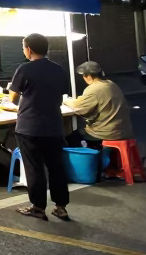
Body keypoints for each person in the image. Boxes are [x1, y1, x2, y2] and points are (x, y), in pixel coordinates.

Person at [9, 33, 71, 221]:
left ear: (28, 49)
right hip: (54, 126)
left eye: (23, 47)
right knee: (56, 167)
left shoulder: (25, 69)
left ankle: (38, 207)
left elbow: (12, 98)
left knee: (34, 168)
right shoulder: (58, 69)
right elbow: (61, 96)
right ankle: (61, 207)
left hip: (30, 127)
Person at [65, 61, 134, 147]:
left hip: (106, 133)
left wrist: (65, 100)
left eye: (84, 76)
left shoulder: (94, 89)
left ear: (89, 76)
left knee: (72, 137)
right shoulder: (112, 84)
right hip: (123, 131)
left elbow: (79, 107)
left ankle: (89, 154)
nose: (83, 78)